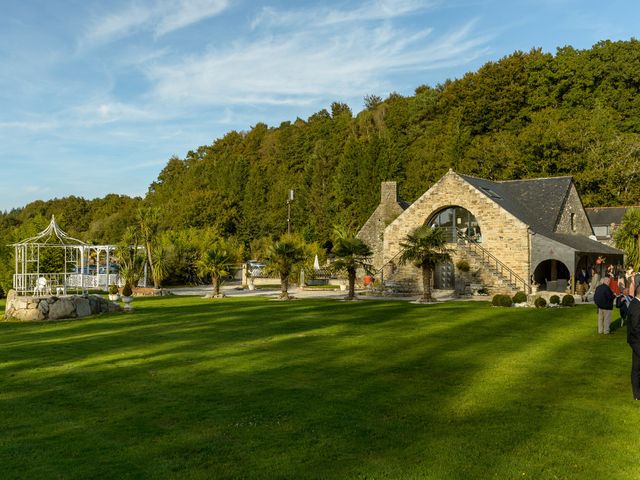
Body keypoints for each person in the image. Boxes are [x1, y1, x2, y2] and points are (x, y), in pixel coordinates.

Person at [626, 283, 640, 400]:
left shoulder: (635, 303)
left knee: (636, 367)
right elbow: (635, 327)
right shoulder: (636, 305)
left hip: (635, 341)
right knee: (636, 368)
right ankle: (636, 393)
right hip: (637, 341)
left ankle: (637, 394)